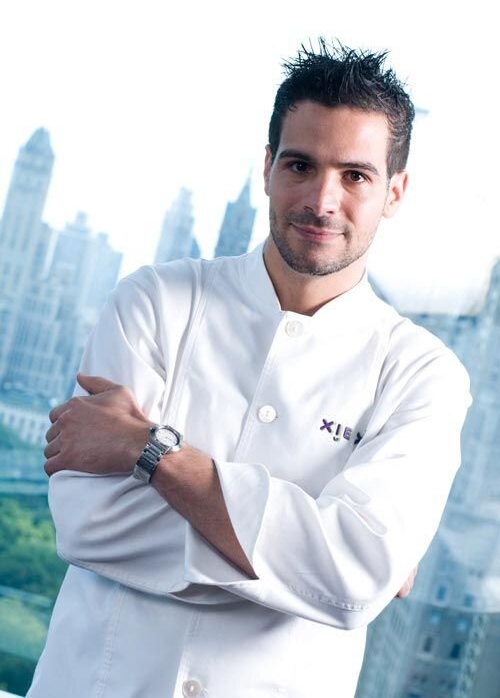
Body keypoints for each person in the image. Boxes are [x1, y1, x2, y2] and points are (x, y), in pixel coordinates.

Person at [27, 40, 471, 698]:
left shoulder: (423, 374)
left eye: (355, 175)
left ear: (395, 192)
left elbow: (355, 577)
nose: (322, 199)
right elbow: (90, 523)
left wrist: (152, 452)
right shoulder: (155, 301)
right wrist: (310, 568)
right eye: (300, 165)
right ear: (267, 168)